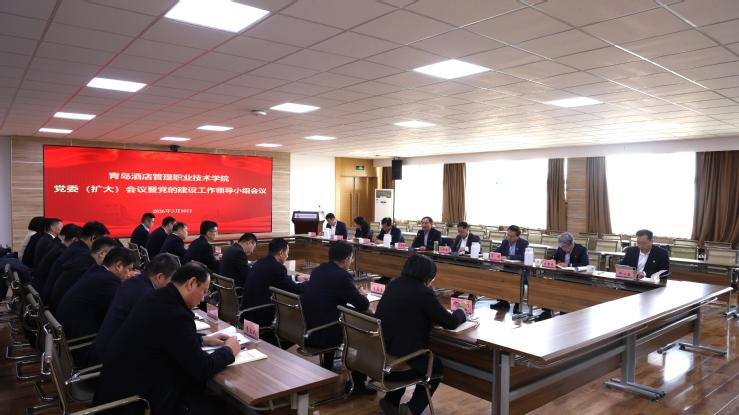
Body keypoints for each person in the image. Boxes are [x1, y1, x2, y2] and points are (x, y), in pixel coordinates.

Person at [93, 262, 239, 415]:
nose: (203, 298)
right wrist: (228, 350)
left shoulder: (156, 296)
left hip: (118, 391)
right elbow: (202, 368)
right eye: (204, 291)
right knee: (220, 407)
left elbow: (167, 337)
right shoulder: (176, 314)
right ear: (191, 283)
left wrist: (203, 339)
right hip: (137, 403)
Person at [375, 254, 466, 415]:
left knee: (405, 352)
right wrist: (461, 312)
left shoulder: (394, 284)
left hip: (378, 359)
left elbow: (410, 312)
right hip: (395, 366)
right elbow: (450, 323)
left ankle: (391, 402)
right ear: (428, 276)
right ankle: (412, 409)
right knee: (435, 367)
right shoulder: (423, 293)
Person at [301, 242, 375, 395]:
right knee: (364, 330)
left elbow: (332, 295)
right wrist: (360, 294)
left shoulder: (319, 270)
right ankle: (357, 384)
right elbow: (363, 305)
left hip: (308, 328)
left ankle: (328, 366)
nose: (352, 261)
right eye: (351, 258)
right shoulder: (342, 276)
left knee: (333, 313)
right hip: (325, 333)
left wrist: (351, 291)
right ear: (346, 259)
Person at [92, 253, 181, 365]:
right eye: (172, 282)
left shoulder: (134, 282)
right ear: (159, 277)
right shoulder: (147, 296)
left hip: (105, 349)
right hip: (115, 362)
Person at [56, 247, 137, 365]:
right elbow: (120, 312)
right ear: (119, 266)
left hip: (68, 342)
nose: (130, 274)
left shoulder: (97, 272)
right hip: (81, 347)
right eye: (129, 269)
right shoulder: (108, 282)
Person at [241, 238, 306, 346]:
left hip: (247, 311)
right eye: (287, 253)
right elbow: (295, 290)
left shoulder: (261, 262)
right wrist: (310, 284)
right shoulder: (277, 268)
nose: (287, 256)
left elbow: (279, 279)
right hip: (260, 313)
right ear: (281, 252)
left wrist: (296, 277)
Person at [41, 221, 109, 304]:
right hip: (55, 302)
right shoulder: (82, 254)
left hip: (50, 295)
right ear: (93, 238)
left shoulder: (75, 247)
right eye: (102, 241)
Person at [48, 237, 120, 313]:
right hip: (62, 312)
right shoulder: (88, 268)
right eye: (113, 256)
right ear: (101, 254)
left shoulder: (83, 258)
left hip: (55, 309)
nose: (114, 260)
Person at [31, 224, 80, 292]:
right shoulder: (63, 253)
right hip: (44, 290)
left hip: (39, 285)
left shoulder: (57, 247)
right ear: (75, 240)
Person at [492, 225, 529, 312]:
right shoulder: (505, 242)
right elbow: (497, 251)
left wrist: (508, 257)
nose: (509, 238)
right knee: (499, 278)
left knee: (519, 281)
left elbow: (523, 256)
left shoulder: (524, 243)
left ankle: (518, 304)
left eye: (511, 236)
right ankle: (503, 302)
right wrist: (494, 254)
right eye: (508, 235)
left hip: (520, 269)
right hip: (507, 268)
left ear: (517, 236)